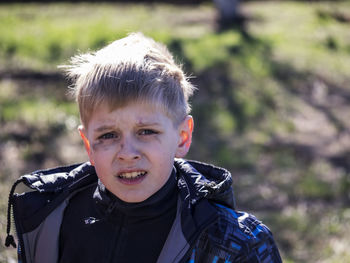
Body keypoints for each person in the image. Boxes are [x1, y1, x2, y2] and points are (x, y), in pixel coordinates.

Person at [5, 33, 282, 263]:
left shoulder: (231, 243)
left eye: (146, 131)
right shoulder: (50, 221)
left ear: (183, 137)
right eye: (109, 135)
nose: (127, 152)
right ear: (88, 145)